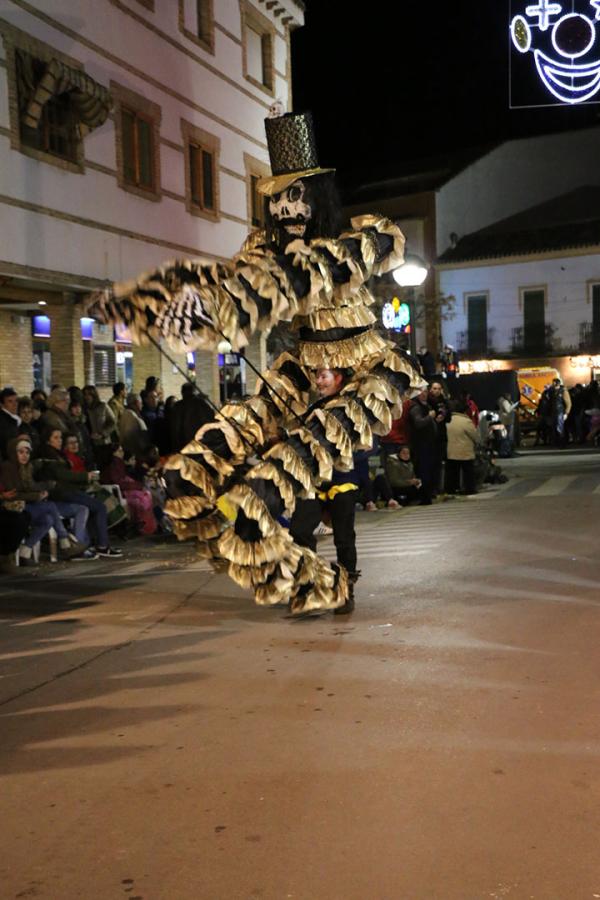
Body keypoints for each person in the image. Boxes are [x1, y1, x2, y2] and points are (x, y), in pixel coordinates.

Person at [290, 368, 360, 615]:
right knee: (299, 530)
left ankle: (345, 590)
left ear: (339, 378)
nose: (318, 382)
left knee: (343, 536)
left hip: (342, 477)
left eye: (324, 376)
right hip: (314, 480)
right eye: (317, 376)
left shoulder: (350, 405)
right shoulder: (312, 408)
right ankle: (308, 588)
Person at [35, 429, 123, 559]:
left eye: (60, 438)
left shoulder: (58, 455)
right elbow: (62, 475)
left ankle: (87, 544)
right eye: (56, 438)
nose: (59, 440)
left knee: (92, 506)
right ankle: (102, 545)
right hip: (60, 493)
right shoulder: (49, 456)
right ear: (48, 440)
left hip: (66, 490)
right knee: (99, 506)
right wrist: (85, 477)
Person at [0, 437, 86, 563]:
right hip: (14, 506)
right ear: (14, 452)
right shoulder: (8, 468)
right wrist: (37, 496)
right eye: (21, 452)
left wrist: (43, 489)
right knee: (50, 506)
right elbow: (14, 493)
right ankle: (65, 543)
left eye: (27, 452)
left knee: (49, 519)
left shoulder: (25, 468)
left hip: (27, 505)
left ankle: (26, 550)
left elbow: (30, 487)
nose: (25, 456)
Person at [445, 399, 479, 495]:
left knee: (452, 472)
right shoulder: (465, 421)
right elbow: (474, 435)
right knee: (468, 472)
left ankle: (451, 489)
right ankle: (469, 488)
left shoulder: (448, 420)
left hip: (451, 451)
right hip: (465, 452)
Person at [83, 384, 116, 467]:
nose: (87, 397)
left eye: (89, 394)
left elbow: (113, 422)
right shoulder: (83, 409)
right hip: (89, 444)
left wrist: (103, 433)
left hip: (104, 442)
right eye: (85, 394)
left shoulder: (103, 406)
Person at [0, 387, 20, 459]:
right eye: (10, 401)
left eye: (16, 401)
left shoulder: (15, 418)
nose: (15, 404)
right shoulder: (3, 422)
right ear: (2, 405)